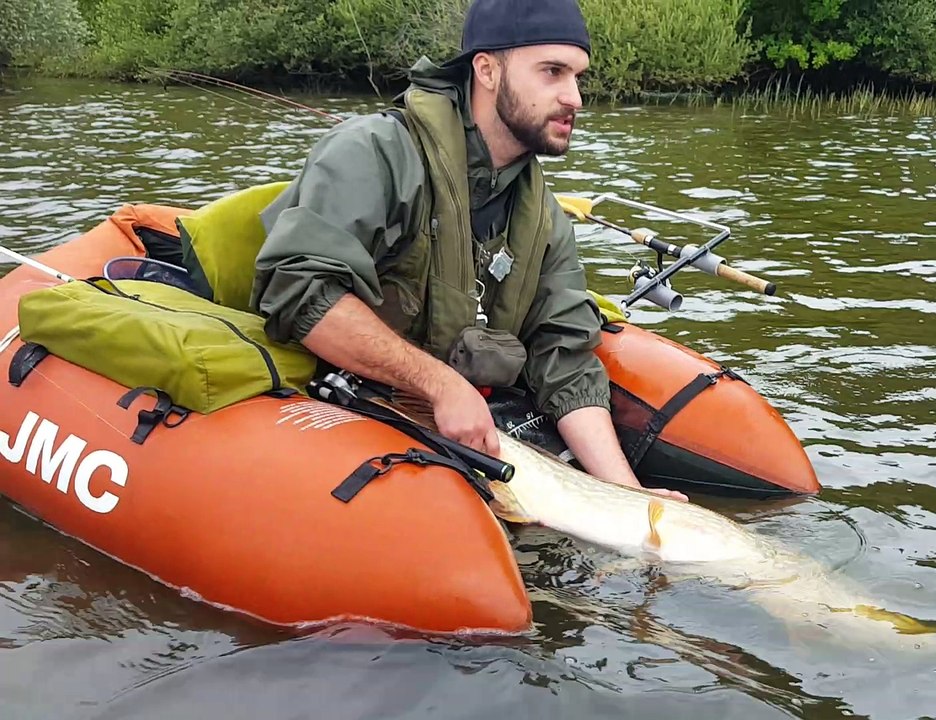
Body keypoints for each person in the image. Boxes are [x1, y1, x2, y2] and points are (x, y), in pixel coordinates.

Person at [247, 0, 688, 501]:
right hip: (336, 407)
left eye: (578, 76)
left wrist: (626, 493)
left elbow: (562, 352)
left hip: (453, 413)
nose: (575, 98)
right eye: (552, 72)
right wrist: (441, 384)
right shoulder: (372, 151)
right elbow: (302, 292)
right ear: (487, 70)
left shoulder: (540, 210)